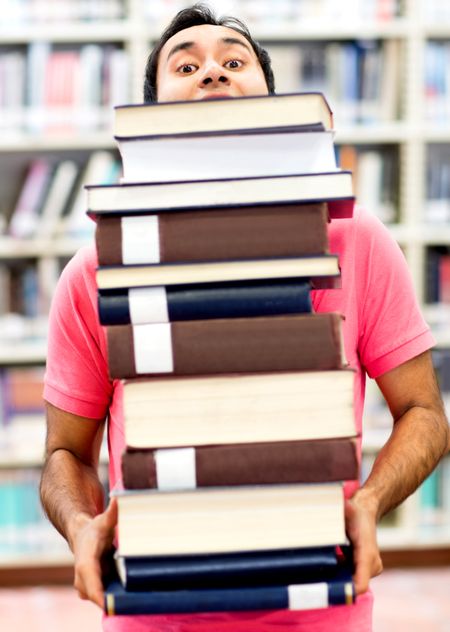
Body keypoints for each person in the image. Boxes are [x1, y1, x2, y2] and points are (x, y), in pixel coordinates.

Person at [40, 4, 449, 631]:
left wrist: (368, 503)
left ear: (274, 105)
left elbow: (424, 413)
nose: (212, 70)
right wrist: (81, 525)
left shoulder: (357, 241)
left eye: (235, 59)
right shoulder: (96, 271)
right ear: (148, 117)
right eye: (187, 63)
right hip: (155, 604)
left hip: (319, 596)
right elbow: (66, 453)